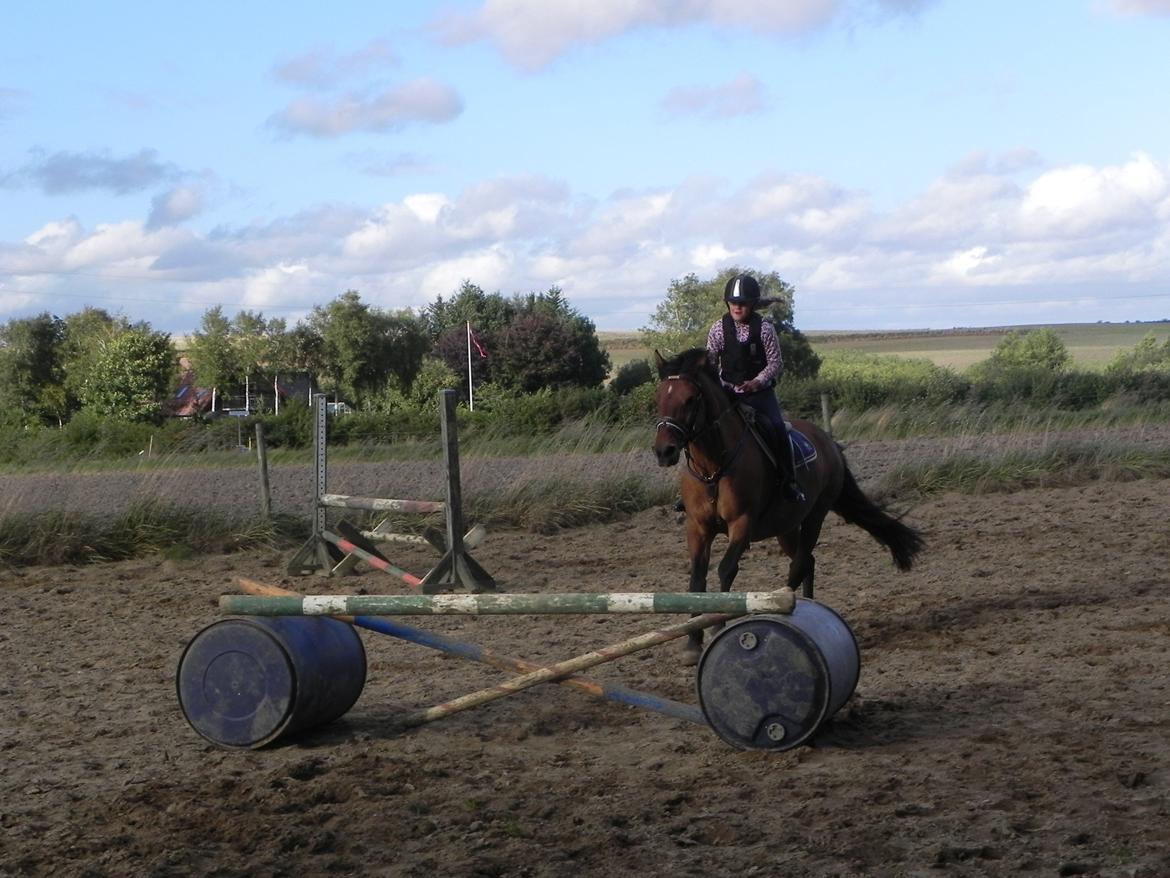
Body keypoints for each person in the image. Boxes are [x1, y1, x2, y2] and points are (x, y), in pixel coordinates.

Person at [707, 273, 805, 503]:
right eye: (733, 303)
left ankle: (788, 481)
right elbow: (710, 360)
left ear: (751, 304)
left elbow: (775, 363)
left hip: (759, 395)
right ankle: (700, 487)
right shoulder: (718, 329)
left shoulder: (765, 329)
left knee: (778, 429)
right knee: (704, 430)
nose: (737, 307)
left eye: (742, 303)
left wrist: (757, 381)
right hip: (727, 394)